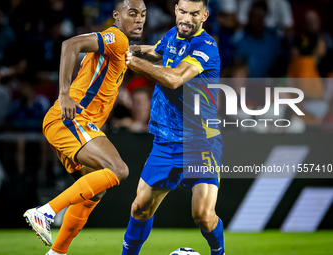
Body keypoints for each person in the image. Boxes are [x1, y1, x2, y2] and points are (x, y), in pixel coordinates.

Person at [23, 0, 146, 254]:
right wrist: (64, 93)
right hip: (70, 117)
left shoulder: (122, 49)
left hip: (73, 122)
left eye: (143, 14)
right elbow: (71, 44)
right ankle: (45, 212)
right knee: (119, 170)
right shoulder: (116, 37)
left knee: (94, 191)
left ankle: (56, 252)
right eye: (132, 13)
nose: (139, 19)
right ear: (116, 15)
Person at [122, 0, 225, 254]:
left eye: (194, 14)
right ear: (175, 10)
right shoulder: (172, 35)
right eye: (182, 12)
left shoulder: (206, 46)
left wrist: (133, 63)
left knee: (202, 215)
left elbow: (174, 78)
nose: (187, 19)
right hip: (165, 141)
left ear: (205, 15)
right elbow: (157, 51)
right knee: (139, 208)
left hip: (200, 141)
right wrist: (133, 49)